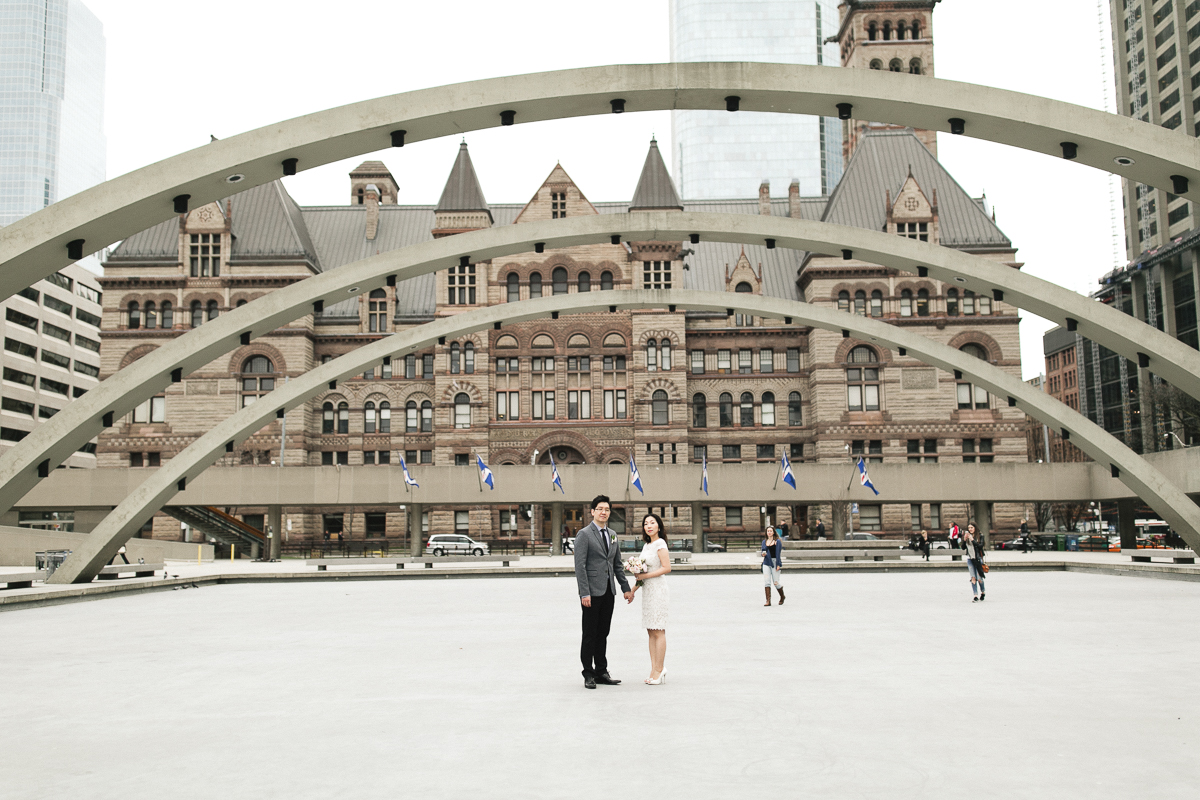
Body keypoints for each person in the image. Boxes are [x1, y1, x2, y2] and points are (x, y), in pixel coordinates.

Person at [573, 495, 633, 689]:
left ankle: (601, 671)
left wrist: (625, 588)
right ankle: (588, 673)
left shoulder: (613, 534)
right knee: (589, 633)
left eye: (606, 509)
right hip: (591, 592)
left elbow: (617, 564)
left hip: (609, 591)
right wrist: (584, 593)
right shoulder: (584, 534)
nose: (603, 512)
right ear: (592, 512)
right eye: (599, 509)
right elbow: (580, 566)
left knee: (603, 633)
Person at [629, 512, 671, 684]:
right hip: (647, 591)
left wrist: (645, 577)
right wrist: (632, 591)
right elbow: (642, 574)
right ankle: (654, 669)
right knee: (650, 630)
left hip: (658, 590)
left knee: (658, 630)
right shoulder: (646, 546)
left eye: (652, 522)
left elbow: (667, 568)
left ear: (658, 526)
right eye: (646, 523)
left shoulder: (660, 543)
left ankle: (660, 670)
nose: (649, 525)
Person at [760, 525, 785, 606]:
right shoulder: (764, 542)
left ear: (773, 532)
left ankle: (782, 596)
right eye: (768, 531)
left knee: (776, 582)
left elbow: (778, 554)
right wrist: (763, 554)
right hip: (766, 562)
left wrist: (778, 564)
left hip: (775, 562)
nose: (769, 532)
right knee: (767, 582)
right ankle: (768, 601)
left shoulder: (777, 541)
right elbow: (763, 551)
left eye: (771, 531)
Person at [963, 523, 986, 602]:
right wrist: (965, 540)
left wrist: (972, 539)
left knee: (979, 578)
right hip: (970, 559)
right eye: (969, 528)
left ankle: (983, 592)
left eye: (971, 527)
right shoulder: (968, 536)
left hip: (978, 558)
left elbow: (980, 546)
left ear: (975, 528)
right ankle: (975, 595)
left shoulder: (980, 536)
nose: (970, 529)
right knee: (973, 578)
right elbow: (963, 547)